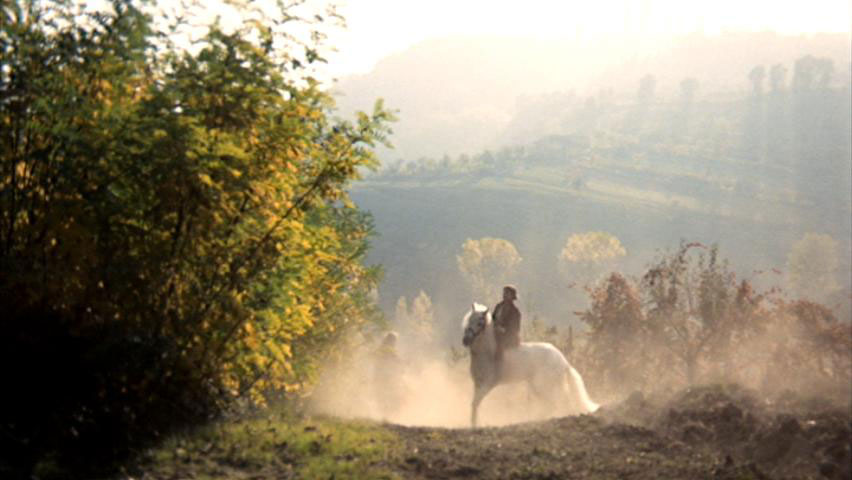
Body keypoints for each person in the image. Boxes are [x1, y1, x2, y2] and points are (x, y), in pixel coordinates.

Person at [492, 285, 521, 372]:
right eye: (504, 293)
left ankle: (499, 369)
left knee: (499, 347)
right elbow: (493, 319)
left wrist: (503, 330)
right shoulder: (498, 306)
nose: (504, 295)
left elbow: (515, 328)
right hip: (496, 334)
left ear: (512, 296)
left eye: (507, 293)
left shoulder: (515, 311)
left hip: (509, 337)